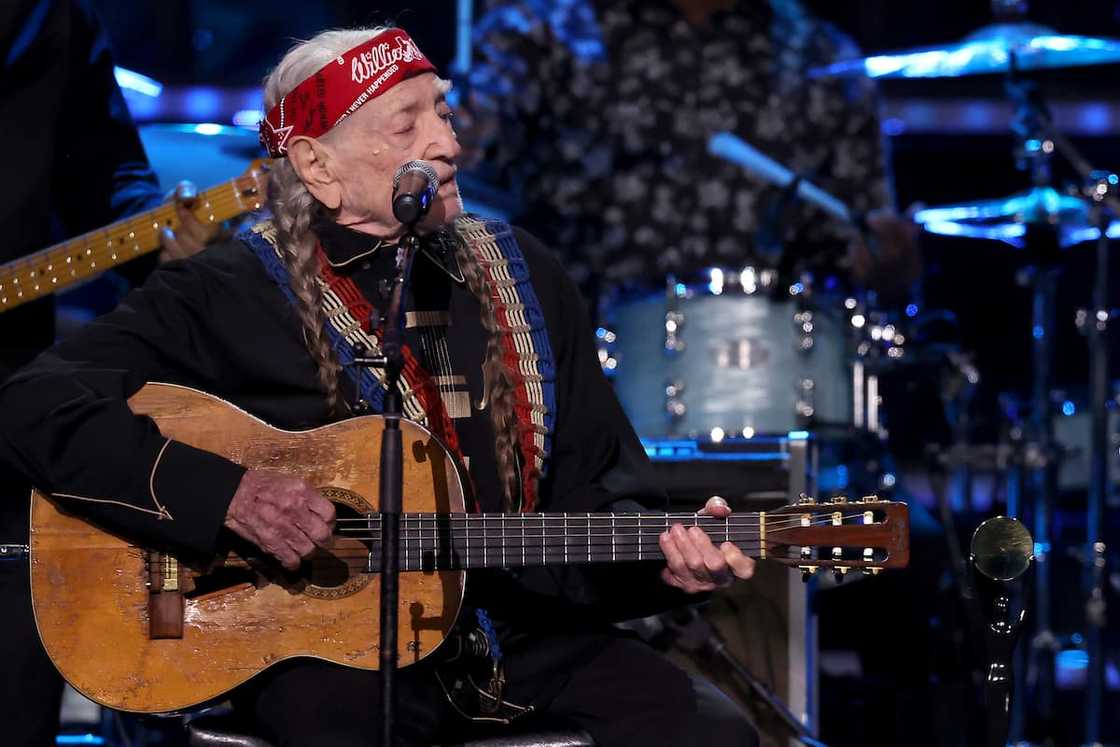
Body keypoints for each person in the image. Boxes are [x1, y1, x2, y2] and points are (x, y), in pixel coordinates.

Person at [0, 25, 758, 747]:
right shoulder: (227, 289)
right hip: (324, 651)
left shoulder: (527, 276)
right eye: (408, 127)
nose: (448, 144)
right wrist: (223, 493)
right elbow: (31, 400)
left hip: (514, 636)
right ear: (317, 166)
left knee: (707, 726)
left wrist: (669, 565)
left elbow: (595, 503)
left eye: (445, 113)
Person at [1, 1, 221, 742]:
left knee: (13, 679)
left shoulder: (52, 17)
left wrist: (156, 230)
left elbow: (106, 172)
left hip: (12, 404)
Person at [461, 0, 919, 302]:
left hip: (778, 378)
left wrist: (887, 260)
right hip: (575, 366)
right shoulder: (543, 30)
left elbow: (870, 250)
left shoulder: (824, 57)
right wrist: (450, 131)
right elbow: (471, 135)